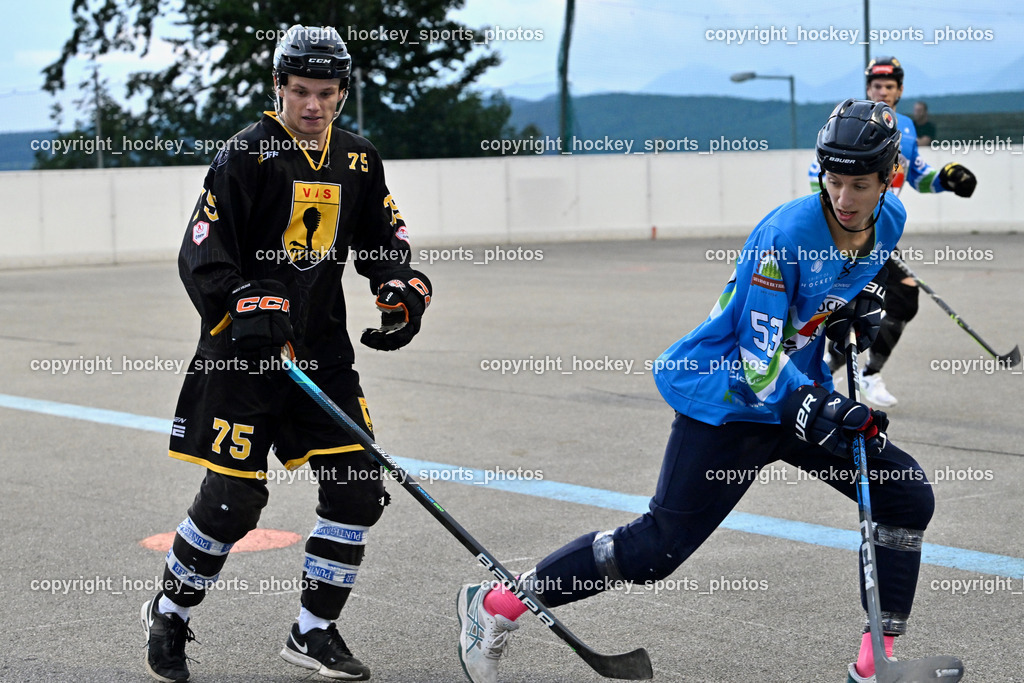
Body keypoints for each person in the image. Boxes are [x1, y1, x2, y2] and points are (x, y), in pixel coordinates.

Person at [456, 100, 941, 683]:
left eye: (859, 184)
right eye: (833, 180)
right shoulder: (784, 233)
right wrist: (812, 403)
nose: (843, 198)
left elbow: (835, 292)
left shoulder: (889, 222)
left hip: (799, 397)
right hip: (730, 396)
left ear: (889, 179)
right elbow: (757, 356)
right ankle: (495, 606)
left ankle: (872, 665)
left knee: (904, 495)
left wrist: (849, 309)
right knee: (655, 549)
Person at [141, 25, 431, 683]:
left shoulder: (358, 159)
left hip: (319, 357)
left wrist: (397, 285)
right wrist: (244, 297)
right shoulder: (244, 156)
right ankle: (170, 610)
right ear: (278, 86)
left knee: (357, 490)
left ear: (342, 93)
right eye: (300, 91)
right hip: (241, 359)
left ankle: (313, 631)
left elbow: (383, 239)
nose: (312, 106)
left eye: (326, 94)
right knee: (233, 502)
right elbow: (200, 253)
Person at [809, 56, 976, 407]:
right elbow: (819, 174)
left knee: (902, 300)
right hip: (846, 232)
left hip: (881, 233)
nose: (882, 91)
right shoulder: (853, 124)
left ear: (900, 90)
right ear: (867, 88)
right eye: (876, 86)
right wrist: (834, 223)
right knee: (842, 305)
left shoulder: (908, 130)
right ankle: (823, 372)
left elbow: (919, 177)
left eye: (889, 86)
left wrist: (947, 178)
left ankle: (863, 373)